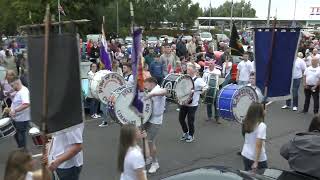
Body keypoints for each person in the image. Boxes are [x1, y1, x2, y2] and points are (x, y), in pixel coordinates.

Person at [179, 64, 208, 143]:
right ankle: (186, 132)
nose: (187, 70)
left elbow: (206, 86)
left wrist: (201, 91)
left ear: (194, 70)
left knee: (190, 121)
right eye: (187, 69)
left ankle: (191, 135)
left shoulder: (198, 80)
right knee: (181, 119)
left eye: (189, 69)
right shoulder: (186, 78)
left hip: (193, 104)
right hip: (184, 102)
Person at [143, 77, 166, 173]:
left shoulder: (158, 89)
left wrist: (152, 94)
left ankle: (155, 163)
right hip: (148, 118)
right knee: (144, 138)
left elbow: (165, 91)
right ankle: (148, 158)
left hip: (155, 120)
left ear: (152, 83)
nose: (145, 86)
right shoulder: (151, 89)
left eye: (146, 84)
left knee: (151, 142)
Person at [241, 102, 268, 171]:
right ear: (260, 112)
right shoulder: (261, 126)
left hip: (246, 154)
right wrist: (256, 162)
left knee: (247, 176)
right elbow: (258, 145)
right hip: (258, 159)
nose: (265, 111)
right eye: (263, 109)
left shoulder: (245, 121)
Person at [9, 76, 30, 149]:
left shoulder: (23, 92)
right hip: (17, 118)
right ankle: (21, 149)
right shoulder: (20, 91)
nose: (12, 88)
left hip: (22, 119)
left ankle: (23, 151)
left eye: (12, 85)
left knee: (21, 136)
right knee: (17, 134)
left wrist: (14, 110)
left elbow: (26, 104)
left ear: (17, 83)